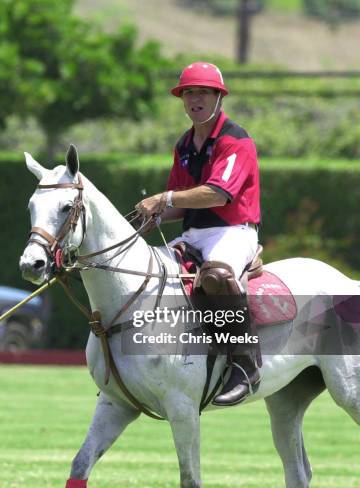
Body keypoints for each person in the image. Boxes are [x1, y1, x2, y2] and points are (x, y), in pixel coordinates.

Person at [135, 61, 261, 406]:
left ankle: (245, 365)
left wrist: (164, 199)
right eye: (189, 92)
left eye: (204, 92)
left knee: (217, 276)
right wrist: (155, 218)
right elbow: (181, 204)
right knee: (143, 271)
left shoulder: (236, 140)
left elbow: (216, 194)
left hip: (233, 231)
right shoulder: (185, 144)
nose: (195, 98)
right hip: (194, 232)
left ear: (219, 96)